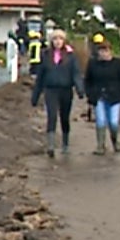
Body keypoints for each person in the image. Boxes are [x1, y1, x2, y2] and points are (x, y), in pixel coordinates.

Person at [31, 29, 85, 157]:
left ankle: (65, 144)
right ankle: (50, 145)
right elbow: (40, 77)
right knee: (52, 116)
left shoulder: (71, 57)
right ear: (52, 41)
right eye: (55, 39)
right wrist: (36, 95)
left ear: (64, 40)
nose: (58, 42)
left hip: (66, 90)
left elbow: (76, 73)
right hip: (51, 90)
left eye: (60, 39)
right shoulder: (46, 55)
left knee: (64, 117)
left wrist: (80, 89)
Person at [84, 41, 120, 154]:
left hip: (115, 98)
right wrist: (90, 94)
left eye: (106, 51)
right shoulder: (93, 64)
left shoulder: (117, 63)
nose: (104, 53)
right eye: (101, 51)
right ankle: (100, 146)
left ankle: (115, 141)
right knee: (101, 121)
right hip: (99, 96)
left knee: (113, 122)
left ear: (110, 51)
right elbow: (87, 80)